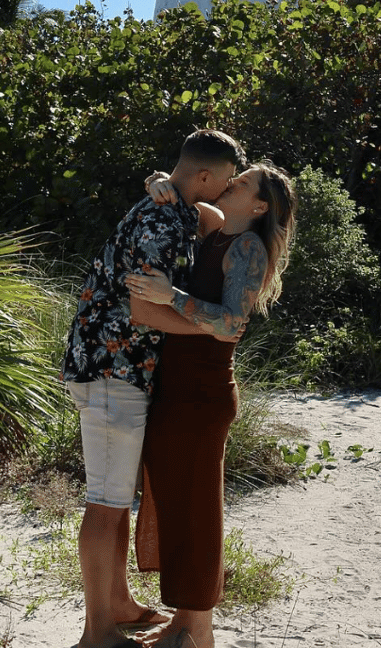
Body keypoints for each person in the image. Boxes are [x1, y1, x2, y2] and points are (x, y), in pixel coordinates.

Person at [61, 129, 246, 648]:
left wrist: (164, 181)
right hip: (110, 371)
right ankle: (97, 632)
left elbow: (214, 217)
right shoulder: (162, 222)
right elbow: (145, 310)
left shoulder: (179, 211)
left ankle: (117, 603)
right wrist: (215, 328)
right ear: (206, 176)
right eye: (225, 181)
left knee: (116, 498)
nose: (227, 191)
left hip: (120, 369)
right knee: (105, 501)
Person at [124, 161, 297, 648]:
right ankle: (183, 621)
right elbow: (180, 192)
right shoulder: (216, 229)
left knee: (197, 508)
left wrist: (169, 295)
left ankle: (198, 629)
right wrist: (158, 182)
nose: (230, 183)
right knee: (179, 503)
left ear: (258, 205)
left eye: (240, 184)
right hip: (177, 388)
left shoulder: (247, 247)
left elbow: (230, 326)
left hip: (202, 395)